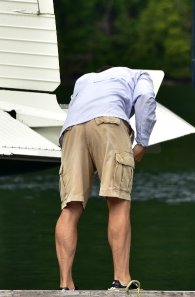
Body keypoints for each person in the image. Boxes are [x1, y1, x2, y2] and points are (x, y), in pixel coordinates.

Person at [55, 66, 156, 291]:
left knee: (70, 206)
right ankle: (121, 280)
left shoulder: (84, 79)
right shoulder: (138, 75)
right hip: (110, 123)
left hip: (72, 129)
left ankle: (65, 285)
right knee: (118, 201)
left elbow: (75, 109)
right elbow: (146, 97)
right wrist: (142, 142)